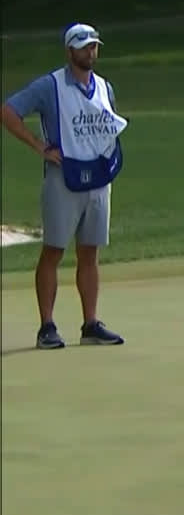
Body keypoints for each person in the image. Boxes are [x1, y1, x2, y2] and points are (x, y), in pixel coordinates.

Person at [1, 22, 128, 350]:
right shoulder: (50, 86)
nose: (90, 52)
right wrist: (39, 146)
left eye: (94, 46)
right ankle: (47, 327)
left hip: (98, 178)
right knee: (54, 250)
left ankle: (90, 324)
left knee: (90, 251)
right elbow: (9, 111)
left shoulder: (104, 87)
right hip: (63, 177)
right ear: (70, 50)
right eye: (84, 46)